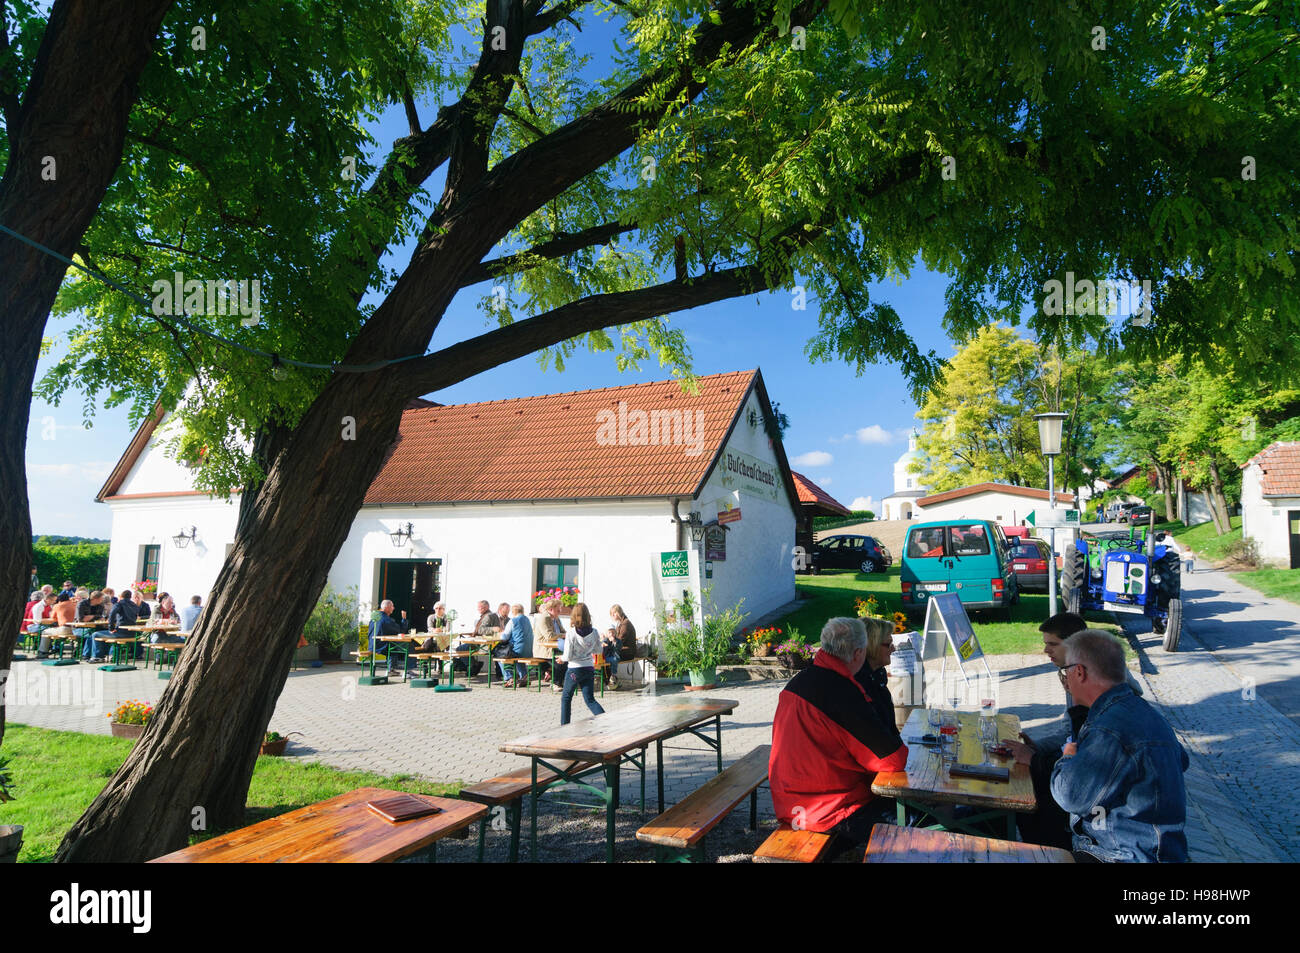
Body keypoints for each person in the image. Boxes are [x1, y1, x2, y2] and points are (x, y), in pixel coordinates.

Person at [1002, 612, 1144, 848]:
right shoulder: (1091, 683)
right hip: (1123, 828)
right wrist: (1039, 749)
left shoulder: (1105, 706)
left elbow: (1075, 785)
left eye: (1052, 644)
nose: (1046, 651)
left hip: (1122, 839)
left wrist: (1039, 760)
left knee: (1034, 795)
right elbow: (1071, 735)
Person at [769, 616, 909, 854]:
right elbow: (891, 760)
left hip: (792, 802)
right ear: (858, 654)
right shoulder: (841, 692)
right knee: (928, 819)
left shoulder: (801, 681)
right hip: (830, 811)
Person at [1050, 631, 1189, 862]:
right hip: (1155, 851)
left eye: (1066, 671)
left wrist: (1068, 758)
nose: (1066, 679)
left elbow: (1070, 796)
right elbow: (1182, 760)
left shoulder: (1110, 729)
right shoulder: (1141, 711)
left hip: (1123, 855)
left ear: (1079, 672)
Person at [851, 616, 901, 739]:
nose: (893, 649)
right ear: (872, 645)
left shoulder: (877, 674)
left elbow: (889, 728)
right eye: (889, 644)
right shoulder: (857, 682)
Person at [559, 603, 605, 725]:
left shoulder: (571, 633)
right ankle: (606, 720)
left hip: (574, 669)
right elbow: (599, 650)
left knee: (566, 698)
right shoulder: (594, 632)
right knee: (590, 699)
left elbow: (568, 655)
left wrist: (561, 659)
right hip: (589, 667)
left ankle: (564, 726)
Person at [96, 588, 140, 660]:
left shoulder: (119, 604)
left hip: (120, 631)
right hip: (132, 633)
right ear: (130, 597)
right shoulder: (134, 605)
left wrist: (111, 628)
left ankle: (97, 656)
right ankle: (112, 655)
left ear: (121, 596)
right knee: (114, 637)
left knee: (95, 634)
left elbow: (111, 615)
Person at [495, 604, 534, 687]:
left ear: (513, 612)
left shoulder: (513, 621)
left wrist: (499, 634)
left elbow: (505, 636)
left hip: (518, 650)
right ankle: (524, 677)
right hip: (529, 651)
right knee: (518, 657)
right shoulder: (527, 619)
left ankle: (509, 678)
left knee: (500, 657)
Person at [601, 604, 637, 690]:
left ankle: (611, 682)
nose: (612, 617)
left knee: (605, 657)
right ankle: (612, 681)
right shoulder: (622, 623)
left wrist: (606, 640)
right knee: (605, 655)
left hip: (628, 653)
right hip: (625, 651)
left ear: (617, 613)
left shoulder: (625, 624)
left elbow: (619, 641)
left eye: (613, 614)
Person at [536, 598, 566, 692]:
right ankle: (555, 684)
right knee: (559, 662)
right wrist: (564, 635)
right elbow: (549, 636)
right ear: (551, 609)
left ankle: (561, 682)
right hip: (544, 649)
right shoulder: (544, 618)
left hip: (556, 647)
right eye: (558, 609)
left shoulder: (556, 618)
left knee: (567, 659)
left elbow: (563, 631)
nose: (560, 611)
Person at [36, 592, 77, 658]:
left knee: (45, 632)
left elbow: (53, 619)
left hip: (64, 629)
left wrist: (40, 620)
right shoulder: (75, 605)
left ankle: (43, 652)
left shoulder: (58, 606)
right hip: (75, 629)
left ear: (59, 600)